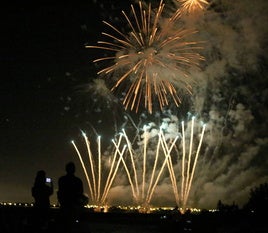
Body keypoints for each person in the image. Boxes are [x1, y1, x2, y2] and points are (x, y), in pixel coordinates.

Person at [57, 162, 88, 229]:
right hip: (74, 208)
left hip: (64, 207)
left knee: (64, 226)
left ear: (66, 169)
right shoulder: (78, 181)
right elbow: (80, 194)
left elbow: (60, 193)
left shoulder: (61, 180)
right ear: (74, 170)